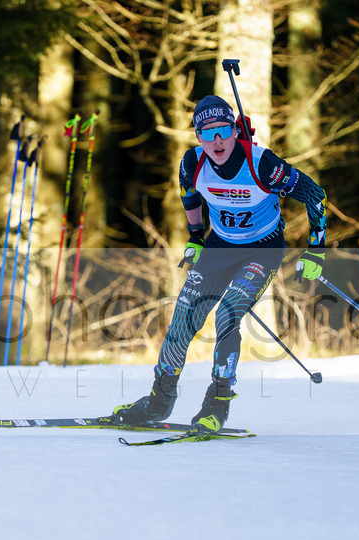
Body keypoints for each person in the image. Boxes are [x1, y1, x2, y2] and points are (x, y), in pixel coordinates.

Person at [111, 94, 328, 433]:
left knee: (228, 314)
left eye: (223, 130)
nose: (216, 140)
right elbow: (188, 195)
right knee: (184, 317)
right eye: (207, 133)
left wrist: (316, 250)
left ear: (235, 131)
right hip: (218, 247)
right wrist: (196, 236)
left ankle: (217, 404)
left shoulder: (262, 164)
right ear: (198, 136)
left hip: (262, 250)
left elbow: (314, 194)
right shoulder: (192, 162)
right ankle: (159, 401)